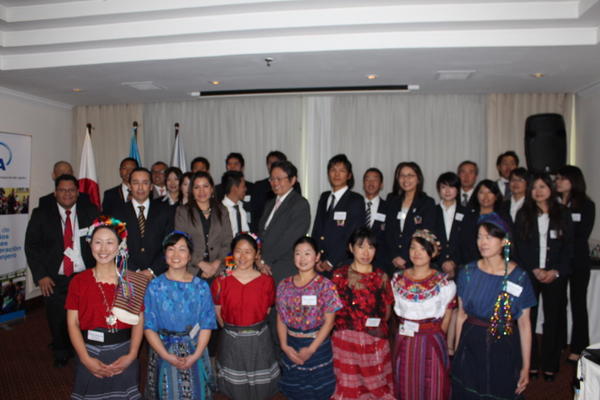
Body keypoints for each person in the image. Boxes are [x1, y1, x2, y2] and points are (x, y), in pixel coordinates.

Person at [452, 213, 536, 399]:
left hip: (502, 345)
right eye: (479, 237)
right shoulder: (467, 272)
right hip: (471, 344)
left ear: (504, 242)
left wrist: (526, 366)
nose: (483, 242)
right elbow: (461, 315)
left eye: (489, 237)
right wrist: (458, 352)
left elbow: (524, 325)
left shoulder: (519, 277)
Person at [66, 216, 146, 399]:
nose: (103, 249)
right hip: (90, 351)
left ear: (120, 246)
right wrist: (86, 359)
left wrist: (132, 354)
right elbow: (72, 324)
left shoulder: (130, 281)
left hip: (124, 352)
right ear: (90, 245)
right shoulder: (78, 281)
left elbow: (139, 321)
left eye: (110, 243)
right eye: (98, 243)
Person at [25, 174, 99, 367]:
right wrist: (40, 275)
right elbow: (32, 246)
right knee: (56, 316)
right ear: (55, 192)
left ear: (77, 192)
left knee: (85, 315)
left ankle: (82, 350)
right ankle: (60, 351)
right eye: (63, 190)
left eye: (71, 190)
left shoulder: (90, 211)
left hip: (84, 275)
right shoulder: (41, 214)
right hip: (54, 277)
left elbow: (102, 240)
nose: (67, 194)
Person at [513, 173, 573, 381]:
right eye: (534, 187)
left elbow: (569, 247)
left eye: (542, 186)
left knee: (553, 320)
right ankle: (530, 363)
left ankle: (550, 364)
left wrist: (555, 271)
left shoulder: (563, 213)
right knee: (527, 319)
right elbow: (519, 245)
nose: (538, 191)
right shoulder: (524, 214)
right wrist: (534, 269)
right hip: (530, 274)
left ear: (550, 188)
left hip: (555, 275)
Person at [144, 231, 217, 399]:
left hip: (194, 350)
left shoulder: (201, 287)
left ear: (190, 256)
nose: (176, 254)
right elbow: (149, 326)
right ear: (165, 254)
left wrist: (196, 355)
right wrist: (165, 355)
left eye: (182, 249)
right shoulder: (154, 286)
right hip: (163, 349)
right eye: (171, 249)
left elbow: (206, 325)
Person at [211, 233, 280, 400]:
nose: (242, 256)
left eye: (248, 251)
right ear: (232, 253)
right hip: (232, 339)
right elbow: (219, 314)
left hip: (259, 340)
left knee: (260, 388)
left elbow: (267, 311)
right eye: (238, 251)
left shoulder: (266, 281)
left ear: (257, 255)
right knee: (235, 389)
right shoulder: (221, 281)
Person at [331, 227, 395, 400]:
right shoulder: (339, 276)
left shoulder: (381, 276)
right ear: (351, 248)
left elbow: (387, 312)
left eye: (371, 247)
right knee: (348, 387)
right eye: (361, 246)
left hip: (374, 339)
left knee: (376, 387)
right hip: (345, 340)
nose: (366, 252)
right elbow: (332, 311)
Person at [276, 236, 343, 400]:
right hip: (291, 345)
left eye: (307, 253)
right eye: (298, 253)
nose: (302, 258)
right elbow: (280, 317)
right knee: (294, 389)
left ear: (317, 257)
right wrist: (284, 346)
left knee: (318, 391)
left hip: (317, 346)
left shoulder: (326, 285)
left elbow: (329, 322)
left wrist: (311, 349)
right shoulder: (284, 285)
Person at [392, 229, 456, 400]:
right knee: (405, 383)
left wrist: (436, 334)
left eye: (422, 248)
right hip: (405, 338)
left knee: (433, 384)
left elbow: (447, 313)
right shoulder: (397, 280)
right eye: (413, 248)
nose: (416, 253)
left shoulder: (443, 283)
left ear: (433, 252)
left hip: (431, 339)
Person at [556, 165, 596, 362]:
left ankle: (579, 346)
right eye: (557, 178)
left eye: (562, 178)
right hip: (557, 261)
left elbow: (581, 236)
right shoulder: (552, 203)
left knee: (578, 303)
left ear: (573, 181)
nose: (558, 182)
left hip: (578, 261)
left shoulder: (586, 205)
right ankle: (559, 342)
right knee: (557, 303)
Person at [112, 167, 174, 277]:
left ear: (151, 186)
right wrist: (135, 272)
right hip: (128, 275)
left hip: (160, 275)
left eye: (145, 183)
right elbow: (115, 246)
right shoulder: (117, 213)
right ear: (130, 186)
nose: (140, 187)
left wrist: (151, 271)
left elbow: (170, 244)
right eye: (135, 183)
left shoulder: (165, 210)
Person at [312, 154, 366, 275]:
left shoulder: (356, 200)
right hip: (319, 263)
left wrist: (331, 261)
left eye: (342, 171)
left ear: (349, 175)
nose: (337, 174)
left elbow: (352, 235)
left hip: (341, 264)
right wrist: (315, 257)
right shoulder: (324, 197)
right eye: (333, 170)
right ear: (328, 173)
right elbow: (317, 228)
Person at [258, 160, 311, 284]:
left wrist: (265, 261)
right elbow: (262, 233)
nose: (275, 183)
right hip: (264, 266)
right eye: (272, 179)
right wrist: (258, 259)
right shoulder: (270, 203)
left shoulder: (299, 204)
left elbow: (289, 239)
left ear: (292, 180)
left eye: (279, 179)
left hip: (283, 268)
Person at [175, 171, 232, 280]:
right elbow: (181, 243)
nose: (201, 191)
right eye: (197, 187)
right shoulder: (183, 211)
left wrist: (216, 263)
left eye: (205, 186)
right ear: (192, 190)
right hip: (192, 269)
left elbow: (228, 241)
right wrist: (200, 264)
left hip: (219, 269)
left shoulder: (222, 210)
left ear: (211, 189)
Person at [384, 161, 435, 271]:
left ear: (418, 179)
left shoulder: (427, 203)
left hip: (415, 261)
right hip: (392, 262)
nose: (406, 179)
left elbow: (425, 233)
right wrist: (394, 256)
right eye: (402, 175)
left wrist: (405, 256)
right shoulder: (392, 200)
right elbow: (388, 231)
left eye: (410, 175)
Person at [433, 172, 469, 276]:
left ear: (457, 190)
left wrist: (453, 262)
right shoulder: (432, 211)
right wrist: (442, 261)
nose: (447, 191)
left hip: (460, 266)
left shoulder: (466, 212)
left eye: (451, 187)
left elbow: (467, 242)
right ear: (439, 190)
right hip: (436, 265)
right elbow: (430, 239)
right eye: (443, 187)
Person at [252, 151, 302, 226]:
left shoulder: (295, 188)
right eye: (269, 163)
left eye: (275, 162)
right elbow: (255, 213)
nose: (272, 165)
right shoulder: (259, 186)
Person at [461, 179, 505, 264]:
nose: (485, 196)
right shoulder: (469, 216)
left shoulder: (503, 217)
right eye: (481, 193)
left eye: (489, 192)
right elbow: (463, 242)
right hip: (470, 263)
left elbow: (508, 241)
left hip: (497, 263)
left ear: (496, 196)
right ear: (476, 195)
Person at [363, 167, 390, 274]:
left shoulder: (389, 207)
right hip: (356, 263)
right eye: (367, 179)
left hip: (381, 262)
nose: (371, 182)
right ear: (363, 183)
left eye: (375, 179)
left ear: (381, 184)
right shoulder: (355, 205)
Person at [221, 170, 250, 236]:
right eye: (243, 186)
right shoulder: (220, 211)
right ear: (235, 188)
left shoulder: (241, 207)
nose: (246, 189)